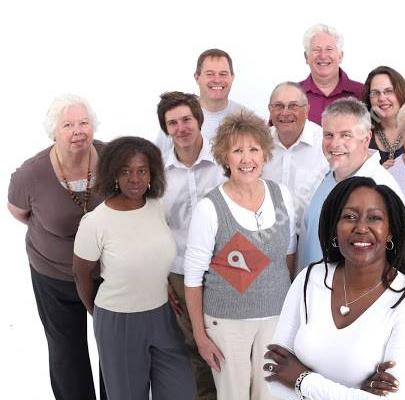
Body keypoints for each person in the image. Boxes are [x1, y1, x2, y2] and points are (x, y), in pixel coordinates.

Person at [264, 176, 405, 399]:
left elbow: (397, 398)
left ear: (390, 231)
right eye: (349, 217)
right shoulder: (309, 279)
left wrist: (302, 379)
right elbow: (274, 375)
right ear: (335, 227)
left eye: (374, 218)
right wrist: (356, 395)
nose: (361, 228)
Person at [184, 111, 297, 400]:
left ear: (264, 153)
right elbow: (193, 278)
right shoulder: (210, 208)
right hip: (226, 323)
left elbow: (288, 256)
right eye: (237, 151)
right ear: (225, 157)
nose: (247, 159)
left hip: (275, 319)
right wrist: (200, 336)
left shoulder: (282, 196)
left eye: (254, 149)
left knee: (271, 395)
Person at [72, 136, 194, 400]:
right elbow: (81, 275)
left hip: (163, 316)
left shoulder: (157, 207)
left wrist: (161, 285)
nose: (135, 179)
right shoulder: (95, 222)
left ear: (152, 174)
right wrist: (100, 315)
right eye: (126, 171)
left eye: (142, 171)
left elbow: (152, 256)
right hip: (119, 321)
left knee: (181, 390)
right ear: (114, 174)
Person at [7, 94, 106, 399]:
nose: (77, 131)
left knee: (114, 345)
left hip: (107, 272)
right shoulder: (30, 174)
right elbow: (19, 212)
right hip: (54, 275)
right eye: (68, 125)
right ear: (54, 131)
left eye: (83, 123)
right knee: (66, 352)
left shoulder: (112, 157)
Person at [157, 91, 225, 399]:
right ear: (166, 128)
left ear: (199, 120)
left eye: (186, 119)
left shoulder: (224, 159)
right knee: (195, 347)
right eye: (173, 123)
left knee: (231, 344)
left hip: (225, 268)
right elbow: (156, 229)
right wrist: (163, 279)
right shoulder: (158, 173)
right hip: (181, 272)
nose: (181, 128)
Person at [296, 97, 405, 274]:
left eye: (346, 135)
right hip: (311, 286)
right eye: (329, 135)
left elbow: (400, 258)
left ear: (366, 139)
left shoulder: (383, 188)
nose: (335, 144)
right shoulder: (320, 179)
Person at [262, 82, 329, 234]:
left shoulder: (325, 143)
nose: (285, 112)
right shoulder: (258, 143)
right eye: (278, 106)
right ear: (270, 110)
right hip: (267, 236)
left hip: (312, 236)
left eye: (293, 106)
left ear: (307, 110)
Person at [156, 48, 245, 156]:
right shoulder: (176, 116)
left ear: (232, 77)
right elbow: (158, 160)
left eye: (223, 74)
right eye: (210, 74)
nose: (217, 80)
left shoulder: (245, 117)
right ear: (197, 77)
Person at [299, 23, 364, 125]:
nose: (323, 56)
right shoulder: (291, 95)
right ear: (306, 57)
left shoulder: (362, 93)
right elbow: (274, 133)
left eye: (329, 49)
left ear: (340, 56)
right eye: (316, 50)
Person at [363, 66, 405, 168]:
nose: (381, 98)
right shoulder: (361, 135)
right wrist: (378, 173)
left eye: (388, 91)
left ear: (401, 93)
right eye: (375, 93)